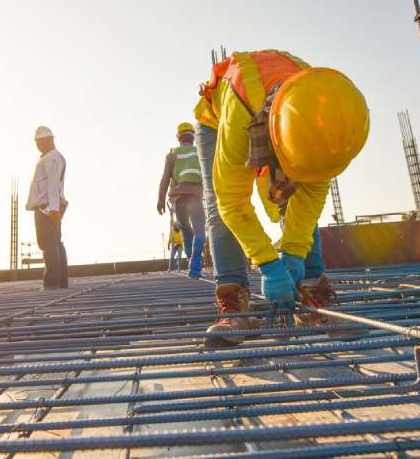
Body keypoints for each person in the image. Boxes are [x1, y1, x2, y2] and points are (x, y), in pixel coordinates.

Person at [193, 50, 369, 347]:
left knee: (297, 188)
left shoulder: (326, 114)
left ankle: (312, 293)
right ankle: (234, 305)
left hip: (285, 112)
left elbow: (311, 194)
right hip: (220, 117)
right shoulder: (240, 114)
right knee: (217, 207)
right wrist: (269, 265)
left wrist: (294, 252)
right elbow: (231, 201)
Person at [157, 122, 206, 278]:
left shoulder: (173, 153)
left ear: (178, 137)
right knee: (199, 232)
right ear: (193, 137)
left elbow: (165, 179)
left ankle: (191, 261)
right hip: (195, 196)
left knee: (186, 231)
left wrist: (160, 200)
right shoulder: (199, 151)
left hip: (178, 198)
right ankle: (195, 267)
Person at [26, 126, 69, 289]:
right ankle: (61, 281)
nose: (38, 145)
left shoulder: (52, 157)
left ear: (46, 141)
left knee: (48, 243)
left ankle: (52, 282)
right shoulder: (51, 157)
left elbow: (52, 184)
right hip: (50, 206)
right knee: (55, 242)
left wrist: (54, 209)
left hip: (46, 208)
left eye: (39, 141)